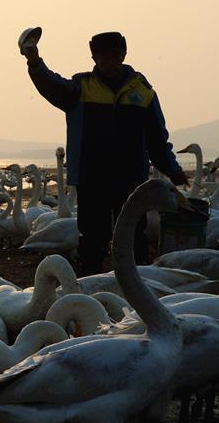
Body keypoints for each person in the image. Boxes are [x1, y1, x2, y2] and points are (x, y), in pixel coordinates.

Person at [19, 29, 188, 275]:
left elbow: (157, 138)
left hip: (131, 179)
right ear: (94, 58)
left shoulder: (142, 92)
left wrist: (173, 170)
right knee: (92, 238)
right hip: (92, 178)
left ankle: (138, 286)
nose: (110, 61)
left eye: (115, 55)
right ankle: (90, 288)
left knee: (134, 235)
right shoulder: (82, 88)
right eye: (104, 56)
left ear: (124, 55)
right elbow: (51, 85)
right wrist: (34, 62)